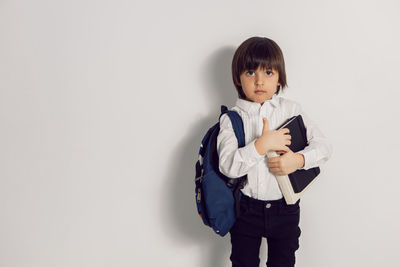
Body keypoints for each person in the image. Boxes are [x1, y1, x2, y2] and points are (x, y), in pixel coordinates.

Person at [217, 36, 333, 267]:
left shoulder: (290, 110)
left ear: (279, 77)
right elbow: (227, 166)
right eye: (251, 73)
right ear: (238, 79)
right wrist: (261, 145)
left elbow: (324, 147)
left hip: (285, 209)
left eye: (268, 73)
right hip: (245, 209)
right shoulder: (231, 119)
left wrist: (298, 161)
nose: (259, 81)